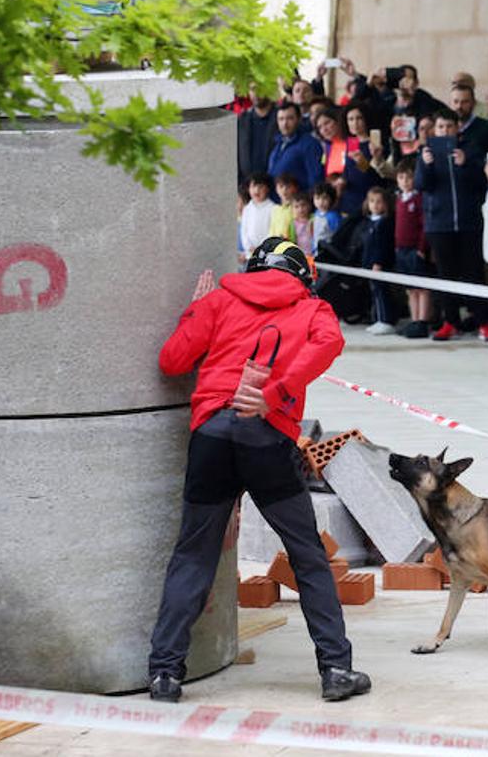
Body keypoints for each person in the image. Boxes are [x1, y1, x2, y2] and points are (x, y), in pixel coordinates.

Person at [147, 237, 369, 704]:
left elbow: (172, 362)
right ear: (302, 276)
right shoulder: (313, 308)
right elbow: (331, 344)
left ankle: (165, 674)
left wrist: (195, 312)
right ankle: (335, 670)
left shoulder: (219, 299)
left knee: (194, 554)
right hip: (267, 437)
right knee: (307, 555)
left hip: (211, 434)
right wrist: (276, 392)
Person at [417, 106, 488, 342]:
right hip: (439, 224)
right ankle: (450, 321)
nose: (445, 130)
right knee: (445, 276)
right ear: (435, 129)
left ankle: (484, 321)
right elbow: (422, 185)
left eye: (449, 126)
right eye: (440, 127)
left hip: (469, 223)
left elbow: (480, 184)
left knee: (474, 274)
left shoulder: (470, 150)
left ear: (457, 128)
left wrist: (465, 165)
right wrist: (427, 165)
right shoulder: (426, 152)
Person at [392, 158, 433, 338]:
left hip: (415, 250)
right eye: (401, 177)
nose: (405, 181)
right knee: (410, 289)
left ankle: (423, 321)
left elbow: (424, 226)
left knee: (422, 287)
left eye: (408, 177)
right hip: (402, 249)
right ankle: (414, 320)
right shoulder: (399, 199)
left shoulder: (418, 199)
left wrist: (421, 248)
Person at [360, 187, 396, 335]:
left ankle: (386, 320)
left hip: (379, 264)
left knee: (381, 292)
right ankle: (378, 318)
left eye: (379, 202)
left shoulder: (385, 222)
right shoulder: (369, 222)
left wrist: (378, 262)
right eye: (372, 201)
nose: (375, 205)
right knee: (374, 292)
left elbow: (383, 245)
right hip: (369, 263)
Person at [266, 102, 324, 191]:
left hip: (298, 201)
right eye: (281, 119)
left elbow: (315, 179)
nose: (284, 124)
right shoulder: (278, 143)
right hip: (278, 202)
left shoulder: (310, 144)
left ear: (299, 119)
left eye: (290, 118)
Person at [237, 85, 277, 184]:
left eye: (260, 89)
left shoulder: (280, 116)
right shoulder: (243, 119)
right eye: (252, 89)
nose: (256, 94)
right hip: (248, 185)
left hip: (275, 184)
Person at [239, 173, 276, 261]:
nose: (256, 190)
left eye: (260, 187)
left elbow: (272, 231)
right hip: (249, 254)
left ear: (267, 188)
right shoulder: (247, 208)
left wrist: (262, 248)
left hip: (266, 255)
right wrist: (248, 247)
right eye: (252, 187)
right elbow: (244, 230)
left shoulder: (273, 208)